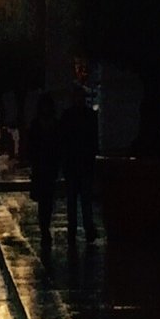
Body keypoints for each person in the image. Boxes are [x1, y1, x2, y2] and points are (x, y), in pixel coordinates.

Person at [60, 85, 99, 245]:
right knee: (76, 200)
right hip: (75, 164)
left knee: (82, 200)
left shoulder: (80, 115)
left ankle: (84, 229)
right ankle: (76, 229)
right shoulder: (73, 116)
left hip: (82, 163)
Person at [27, 92, 62, 248]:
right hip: (40, 167)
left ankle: (45, 227)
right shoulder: (37, 125)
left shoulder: (55, 124)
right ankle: (44, 228)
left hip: (50, 167)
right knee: (43, 200)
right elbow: (31, 146)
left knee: (48, 200)